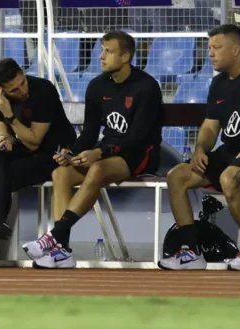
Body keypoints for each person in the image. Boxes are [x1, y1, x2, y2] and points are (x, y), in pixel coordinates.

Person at [23, 30, 163, 269]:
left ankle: (54, 236)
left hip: (141, 154)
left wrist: (99, 153)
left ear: (126, 56)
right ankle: (61, 252)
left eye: (108, 52)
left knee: (97, 169)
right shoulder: (97, 86)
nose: (101, 56)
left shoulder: (146, 87)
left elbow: (138, 138)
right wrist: (71, 154)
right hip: (108, 152)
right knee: (60, 173)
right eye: (102, 50)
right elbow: (89, 133)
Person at [160, 24, 240, 271]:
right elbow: (210, 127)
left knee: (229, 178)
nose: (211, 53)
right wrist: (199, 149)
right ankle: (190, 252)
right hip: (231, 153)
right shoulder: (218, 82)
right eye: (209, 48)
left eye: (217, 48)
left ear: (237, 50)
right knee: (177, 177)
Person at [0, 56, 76, 267]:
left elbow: (34, 142)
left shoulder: (43, 90)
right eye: (14, 90)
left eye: (22, 83)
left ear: (23, 73)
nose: (22, 91)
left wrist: (9, 115)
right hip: (26, 149)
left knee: (1, 178)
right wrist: (4, 140)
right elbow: (4, 134)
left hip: (55, 154)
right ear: (1, 89)